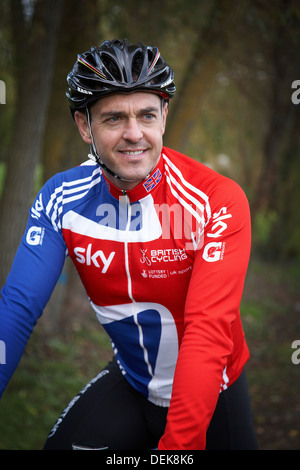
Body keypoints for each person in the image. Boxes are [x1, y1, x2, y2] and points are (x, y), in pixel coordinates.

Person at [0, 39, 257, 450]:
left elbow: (208, 330)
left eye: (146, 115)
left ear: (164, 117)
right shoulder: (60, 198)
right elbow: (17, 306)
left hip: (214, 396)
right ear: (85, 126)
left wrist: (178, 448)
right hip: (132, 381)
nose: (134, 134)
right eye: (114, 118)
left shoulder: (216, 201)